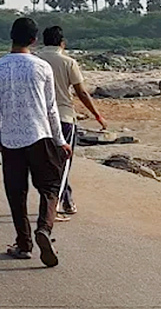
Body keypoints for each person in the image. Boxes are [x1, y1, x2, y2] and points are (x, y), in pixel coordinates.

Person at [0, 17, 70, 267]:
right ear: (34, 40)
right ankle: (44, 228)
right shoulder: (41, 67)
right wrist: (61, 139)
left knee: (16, 192)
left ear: (11, 37)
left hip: (11, 139)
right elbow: (51, 108)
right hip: (39, 135)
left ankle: (23, 243)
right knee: (50, 186)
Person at [36, 25, 107, 219]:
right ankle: (56, 205)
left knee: (47, 163)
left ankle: (65, 200)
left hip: (39, 118)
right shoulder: (68, 62)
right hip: (64, 117)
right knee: (63, 162)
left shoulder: (35, 60)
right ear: (62, 43)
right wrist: (97, 115)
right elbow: (81, 92)